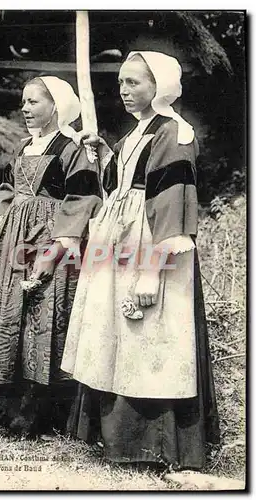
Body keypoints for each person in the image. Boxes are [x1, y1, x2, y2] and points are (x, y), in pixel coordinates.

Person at [61, 51, 220, 469]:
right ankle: (116, 437)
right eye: (120, 84)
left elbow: (172, 204)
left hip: (151, 242)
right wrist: (104, 154)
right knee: (118, 333)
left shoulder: (174, 134)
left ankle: (155, 442)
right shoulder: (136, 133)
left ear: (161, 86)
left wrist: (153, 272)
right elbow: (123, 184)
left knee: (148, 332)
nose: (124, 91)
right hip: (119, 241)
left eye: (134, 83)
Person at [0, 76, 103, 438]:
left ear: (56, 106)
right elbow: (8, 187)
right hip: (15, 238)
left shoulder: (72, 147)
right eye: (23, 101)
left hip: (53, 239)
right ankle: (8, 409)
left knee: (45, 318)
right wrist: (5, 217)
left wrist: (58, 244)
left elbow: (83, 196)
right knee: (11, 311)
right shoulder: (24, 146)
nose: (25, 109)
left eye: (33, 102)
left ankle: (45, 416)